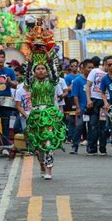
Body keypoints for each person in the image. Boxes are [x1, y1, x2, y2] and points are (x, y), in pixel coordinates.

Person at [25, 25, 65, 180]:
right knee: (37, 144)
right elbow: (26, 78)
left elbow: (55, 74)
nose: (41, 70)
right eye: (38, 69)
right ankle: (42, 164)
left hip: (49, 114)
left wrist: (49, 61)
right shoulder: (31, 82)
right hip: (35, 114)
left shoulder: (52, 81)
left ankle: (49, 170)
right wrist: (29, 64)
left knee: (48, 143)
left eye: (43, 69)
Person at [85, 56, 108, 155]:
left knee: (103, 126)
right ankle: (92, 148)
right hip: (94, 101)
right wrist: (89, 99)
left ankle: (103, 148)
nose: (111, 67)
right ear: (104, 64)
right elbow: (88, 86)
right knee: (93, 125)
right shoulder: (94, 71)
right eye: (109, 65)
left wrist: (107, 102)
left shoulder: (110, 75)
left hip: (104, 103)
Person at [70, 59, 94, 154]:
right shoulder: (77, 81)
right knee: (79, 126)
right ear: (83, 68)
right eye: (89, 67)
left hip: (92, 108)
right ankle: (74, 146)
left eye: (92, 68)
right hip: (82, 108)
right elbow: (75, 95)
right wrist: (78, 107)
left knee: (92, 127)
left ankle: (90, 147)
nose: (91, 69)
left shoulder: (94, 80)